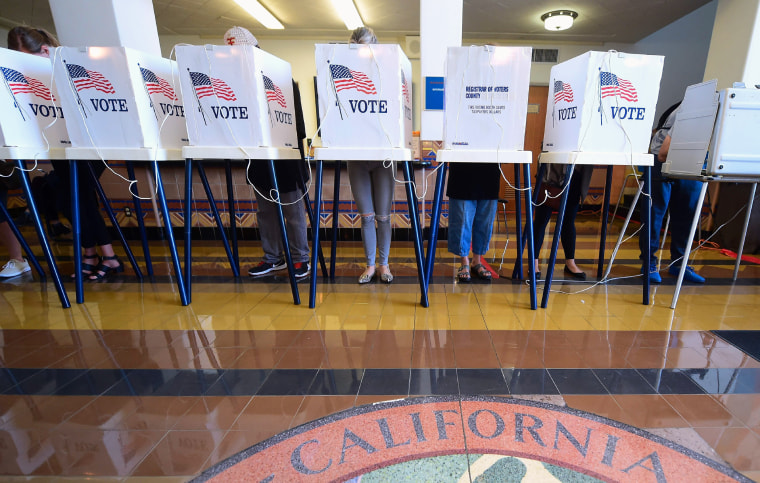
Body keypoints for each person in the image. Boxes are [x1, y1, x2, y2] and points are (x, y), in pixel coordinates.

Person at [8, 26, 123, 280]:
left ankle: (109, 256)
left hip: (91, 143)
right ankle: (93, 255)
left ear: (46, 50)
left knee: (77, 196)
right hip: (58, 145)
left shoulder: (69, 68)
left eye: (28, 57)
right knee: (71, 197)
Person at [223, 27, 311, 279]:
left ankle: (299, 259)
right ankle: (273, 258)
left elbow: (299, 129)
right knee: (266, 213)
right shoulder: (237, 86)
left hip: (286, 159)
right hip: (257, 160)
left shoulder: (282, 81)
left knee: (292, 213)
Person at [346, 26, 394, 284]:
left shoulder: (384, 71)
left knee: (383, 216)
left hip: (383, 156)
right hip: (357, 157)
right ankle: (371, 265)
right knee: (366, 217)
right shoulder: (347, 76)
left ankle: (384, 265)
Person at [639, 103, 705, 284]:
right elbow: (663, 153)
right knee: (655, 214)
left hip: (693, 159)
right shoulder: (697, 109)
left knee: (687, 213)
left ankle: (679, 264)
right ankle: (649, 262)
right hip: (661, 157)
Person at [532, 164, 594, 280]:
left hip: (575, 172)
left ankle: (570, 263)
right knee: (541, 220)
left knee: (568, 221)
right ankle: (534, 261)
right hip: (551, 172)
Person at [447, 162, 501, 282]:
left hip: (490, 173)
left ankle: (477, 261)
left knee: (485, 223)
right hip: (462, 172)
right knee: (461, 222)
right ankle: (464, 261)